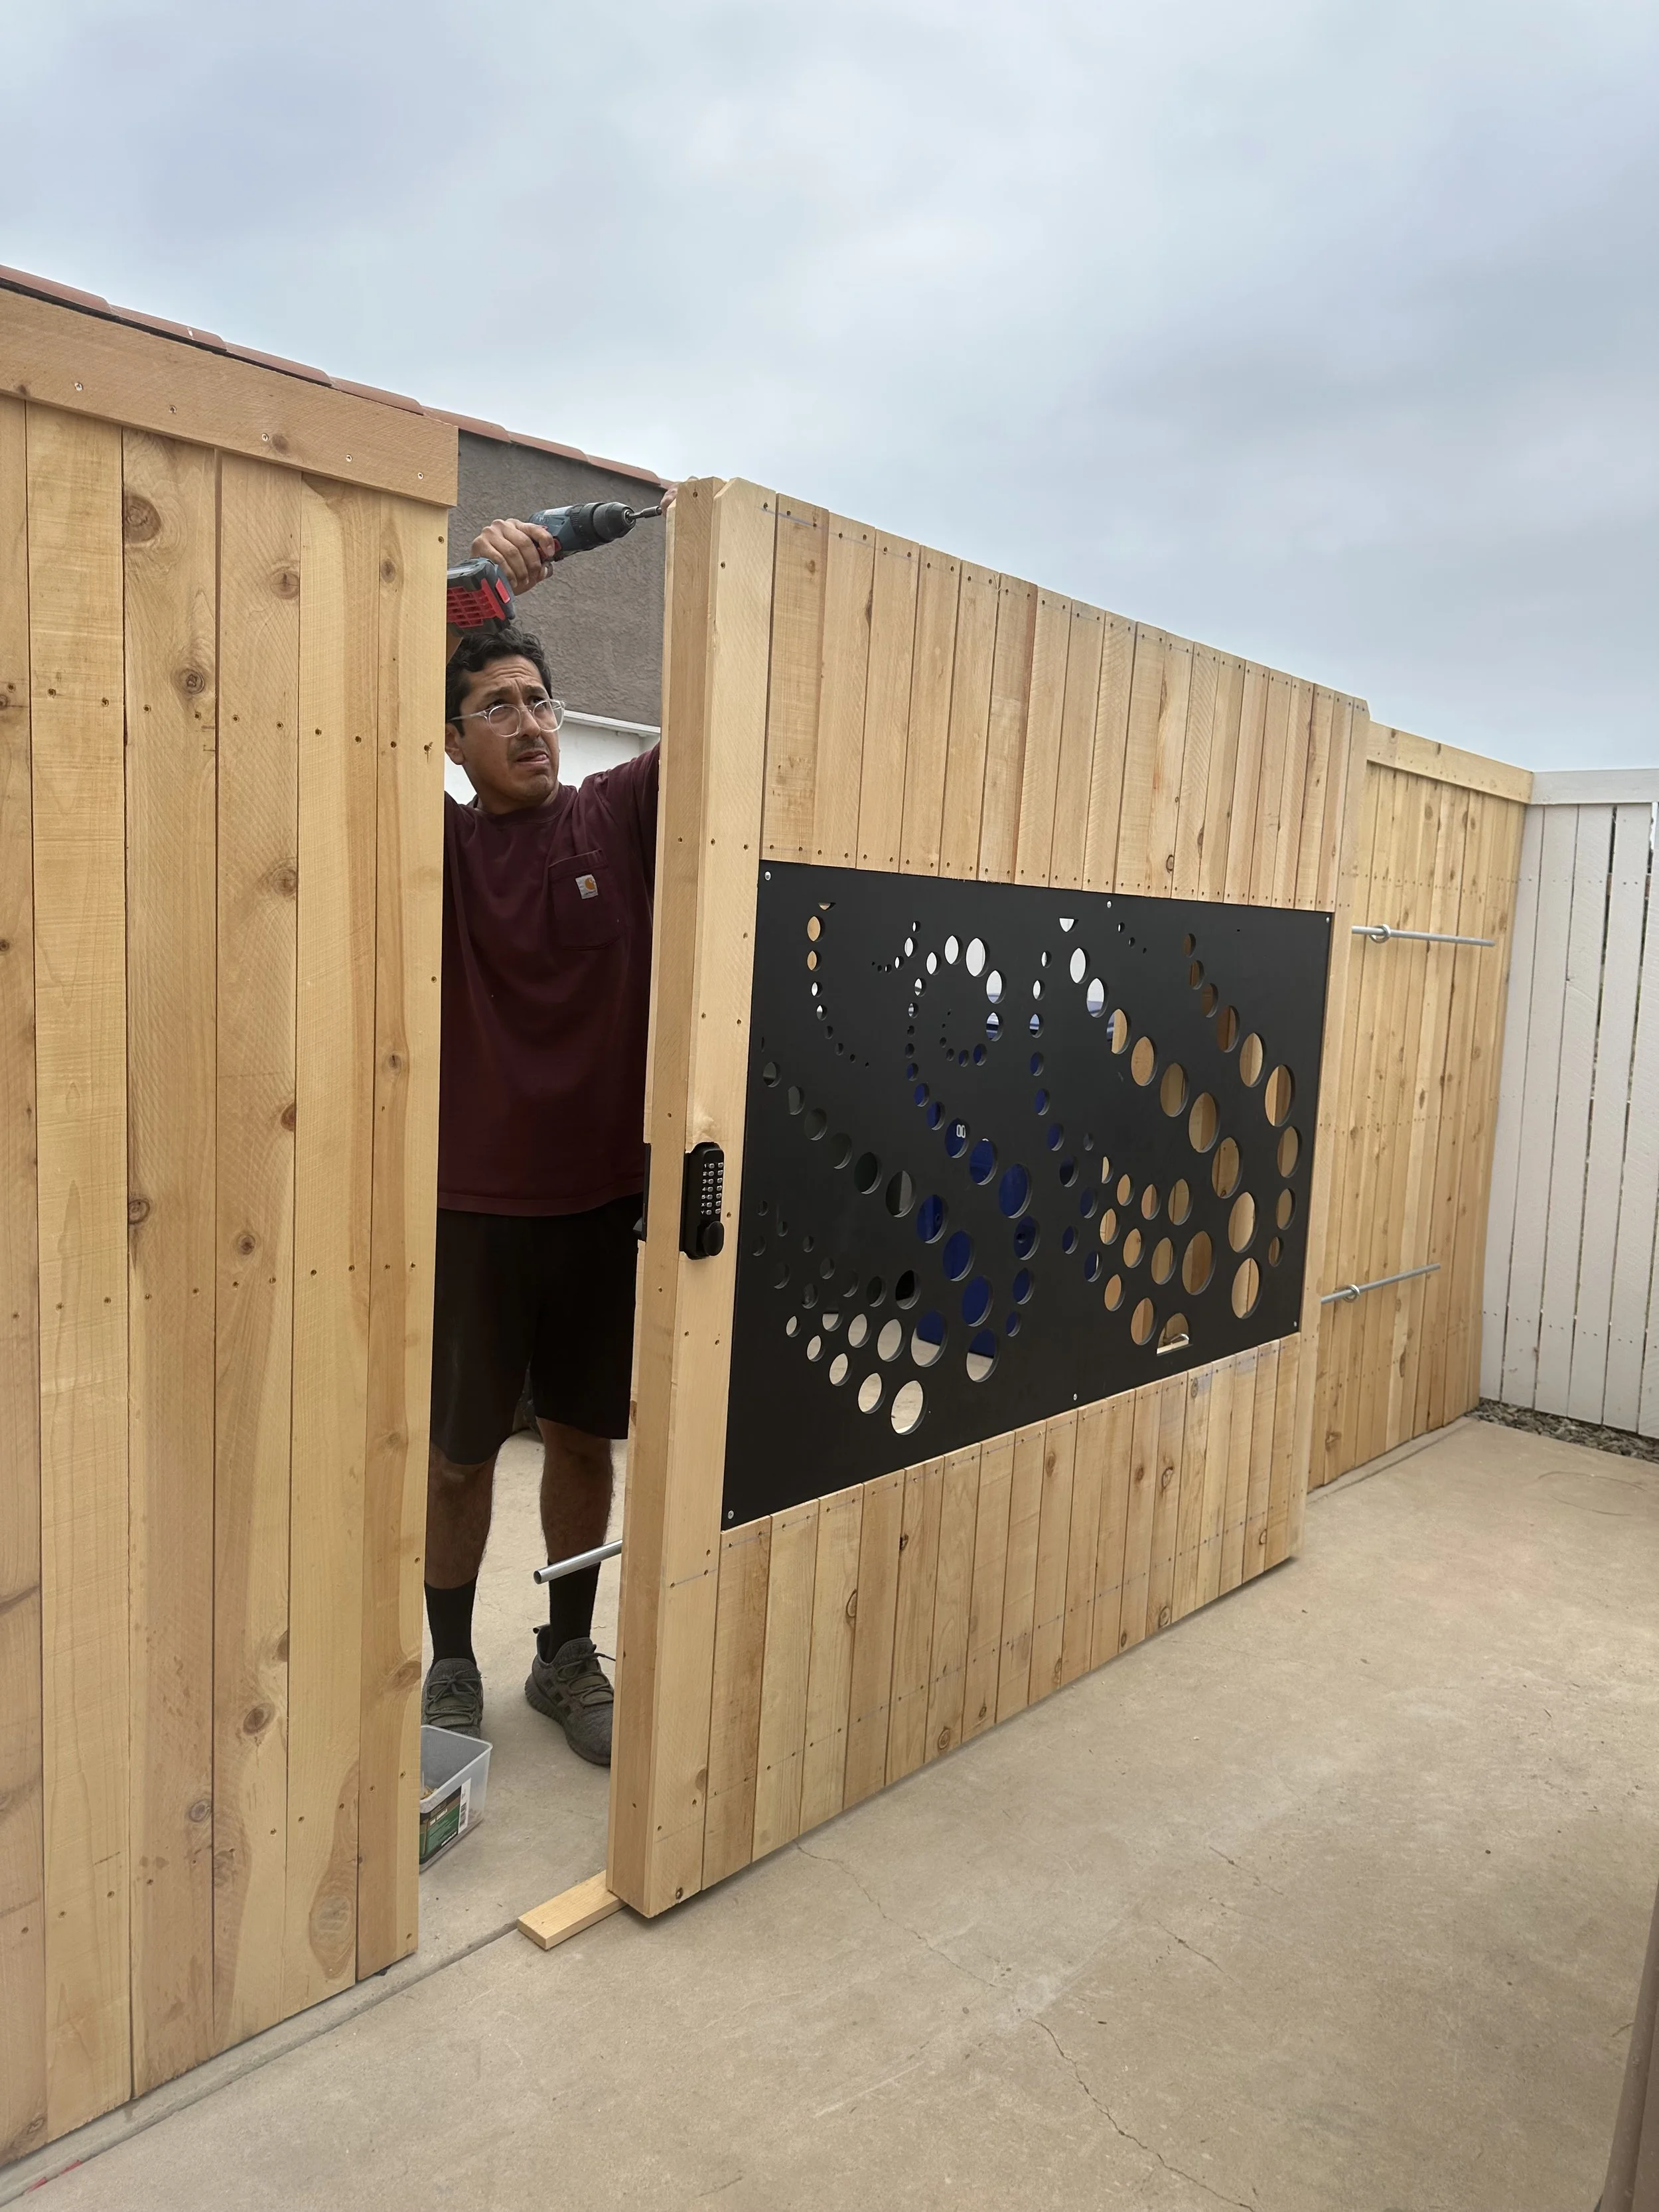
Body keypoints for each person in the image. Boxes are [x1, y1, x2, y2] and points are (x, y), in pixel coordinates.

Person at [423, 512, 660, 1763]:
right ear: (453, 743)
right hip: (472, 1208)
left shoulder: (615, 820)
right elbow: (340, 694)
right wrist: (466, 594)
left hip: (601, 1204)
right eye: (496, 708)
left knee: (580, 1437)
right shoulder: (440, 848)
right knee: (459, 1456)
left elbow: (741, 728)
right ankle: (449, 1665)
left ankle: (564, 1657)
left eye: (540, 701)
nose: (528, 724)